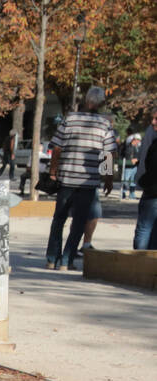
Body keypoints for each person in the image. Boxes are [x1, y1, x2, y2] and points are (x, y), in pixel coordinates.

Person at [46, 86, 117, 270]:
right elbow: (108, 153)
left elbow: (56, 148)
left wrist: (53, 172)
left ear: (86, 100)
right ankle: (66, 261)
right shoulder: (104, 124)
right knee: (78, 222)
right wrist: (108, 178)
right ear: (101, 104)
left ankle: (52, 258)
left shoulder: (70, 119)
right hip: (88, 181)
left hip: (66, 178)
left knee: (59, 219)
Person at [134, 130, 157, 250]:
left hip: (152, 191)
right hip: (151, 190)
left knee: (145, 229)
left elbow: (151, 166)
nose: (153, 122)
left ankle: (141, 262)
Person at [120, 132, 142, 199]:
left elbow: (138, 156)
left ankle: (132, 194)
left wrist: (137, 159)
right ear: (134, 139)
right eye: (138, 140)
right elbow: (125, 156)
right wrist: (131, 160)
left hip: (134, 167)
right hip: (128, 167)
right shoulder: (128, 147)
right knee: (125, 181)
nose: (138, 142)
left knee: (133, 181)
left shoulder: (137, 147)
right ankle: (123, 193)